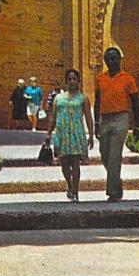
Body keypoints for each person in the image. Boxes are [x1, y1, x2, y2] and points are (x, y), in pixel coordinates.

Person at [93, 46, 139, 202]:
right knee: (104, 154)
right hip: (105, 120)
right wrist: (96, 124)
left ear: (120, 59)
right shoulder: (100, 79)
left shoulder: (128, 79)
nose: (111, 62)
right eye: (108, 59)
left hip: (121, 119)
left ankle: (113, 192)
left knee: (114, 156)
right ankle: (117, 184)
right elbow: (97, 102)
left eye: (114, 58)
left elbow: (135, 103)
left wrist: (137, 125)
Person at [44, 69, 94, 201]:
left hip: (77, 134)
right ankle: (70, 185)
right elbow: (53, 117)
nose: (72, 81)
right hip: (62, 134)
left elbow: (88, 118)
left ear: (78, 81)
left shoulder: (83, 99)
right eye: (70, 79)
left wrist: (91, 135)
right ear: (66, 81)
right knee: (64, 163)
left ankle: (76, 192)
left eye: (74, 79)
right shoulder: (58, 99)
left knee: (75, 163)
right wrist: (48, 134)